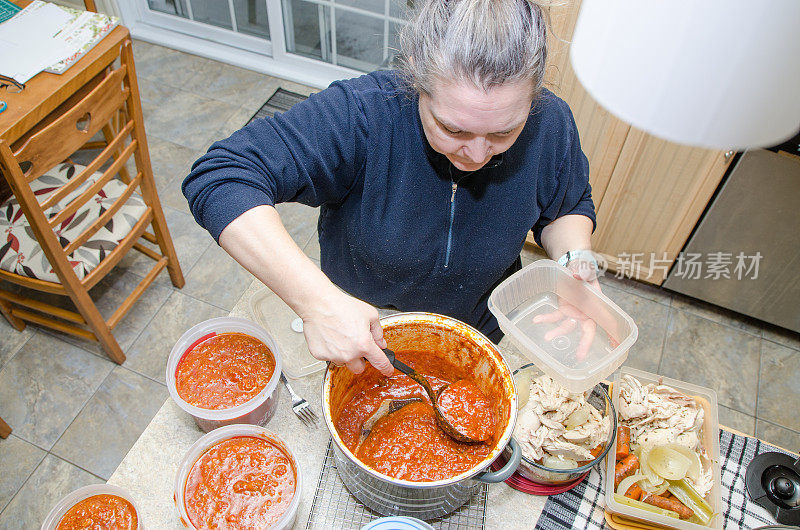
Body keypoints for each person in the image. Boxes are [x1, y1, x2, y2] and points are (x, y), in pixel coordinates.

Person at [183, 0, 599, 378]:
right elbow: (222, 175)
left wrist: (574, 264)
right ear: (416, 73)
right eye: (453, 128)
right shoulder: (363, 114)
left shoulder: (551, 123)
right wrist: (318, 304)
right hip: (360, 330)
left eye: (505, 132)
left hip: (474, 333)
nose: (476, 154)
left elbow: (567, 203)